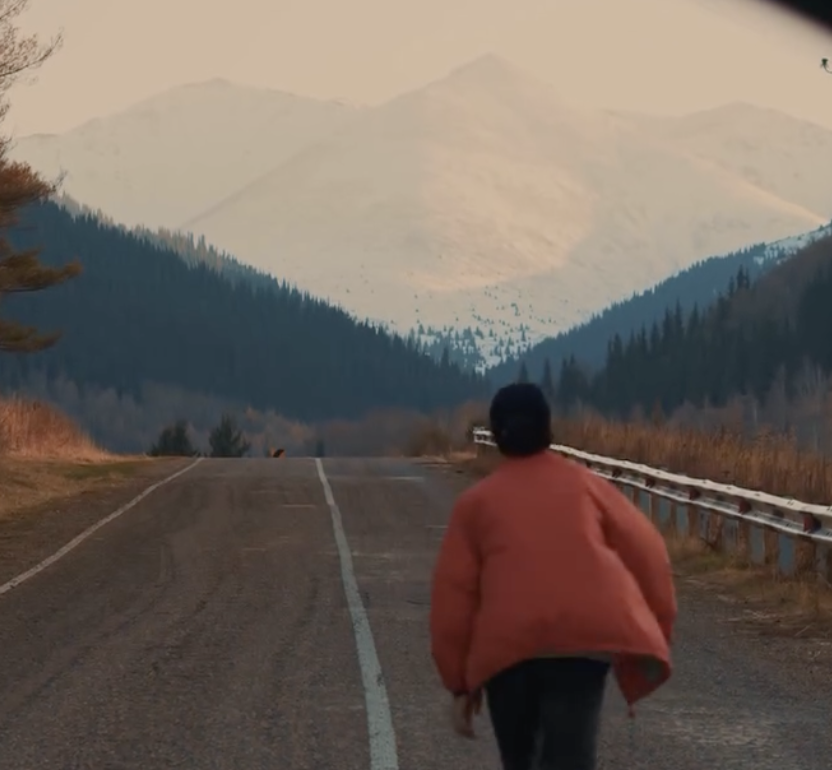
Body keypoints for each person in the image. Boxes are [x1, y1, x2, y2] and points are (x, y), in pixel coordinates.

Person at [429, 382, 677, 770]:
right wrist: (656, 631)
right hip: (581, 646)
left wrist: (459, 683)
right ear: (548, 429)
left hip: (507, 652)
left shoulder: (475, 505)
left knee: (520, 759)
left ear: (496, 435)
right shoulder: (589, 486)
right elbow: (648, 553)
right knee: (571, 758)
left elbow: (453, 600)